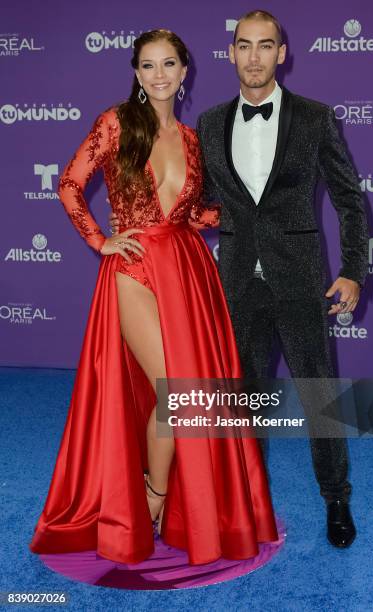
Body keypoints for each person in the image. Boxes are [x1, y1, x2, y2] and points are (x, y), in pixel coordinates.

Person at [110, 11, 369, 549]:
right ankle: (244, 503)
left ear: (282, 53)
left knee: (318, 396)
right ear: (230, 54)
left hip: (302, 283)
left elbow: (349, 200)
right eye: (244, 46)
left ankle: (336, 499)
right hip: (233, 285)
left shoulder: (317, 119)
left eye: (265, 46)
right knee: (240, 401)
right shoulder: (205, 124)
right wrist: (136, 221)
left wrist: (352, 270)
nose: (254, 57)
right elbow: (190, 206)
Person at [29, 29, 280, 566]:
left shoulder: (193, 139)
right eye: (148, 65)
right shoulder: (116, 123)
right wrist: (100, 239)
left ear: (184, 72)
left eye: (169, 64)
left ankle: (162, 496)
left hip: (187, 269)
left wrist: (244, 214)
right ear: (137, 73)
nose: (159, 74)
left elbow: (191, 216)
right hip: (133, 270)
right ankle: (152, 496)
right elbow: (70, 183)